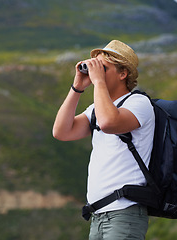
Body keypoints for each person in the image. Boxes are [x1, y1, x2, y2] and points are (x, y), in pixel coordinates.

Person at [52, 40, 155, 240]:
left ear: (123, 73)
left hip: (125, 213)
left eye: (103, 68)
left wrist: (98, 82)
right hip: (98, 215)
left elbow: (109, 123)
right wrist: (77, 87)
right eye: (93, 66)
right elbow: (61, 132)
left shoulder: (139, 103)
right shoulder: (95, 110)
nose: (95, 72)